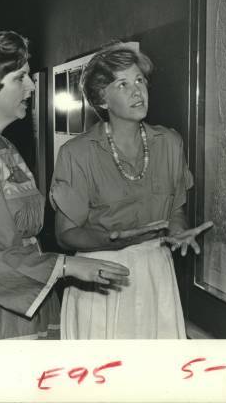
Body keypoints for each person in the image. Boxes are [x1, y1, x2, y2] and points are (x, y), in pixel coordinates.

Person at [0, 31, 129, 340]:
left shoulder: (1, 145)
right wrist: (65, 267)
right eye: (21, 77)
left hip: (25, 294)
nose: (32, 85)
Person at [51, 43, 213, 339]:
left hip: (155, 273)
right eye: (122, 84)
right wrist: (111, 242)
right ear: (102, 99)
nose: (137, 91)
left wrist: (178, 231)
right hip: (102, 274)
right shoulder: (77, 154)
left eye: (139, 80)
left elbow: (175, 209)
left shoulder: (169, 142)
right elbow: (65, 233)